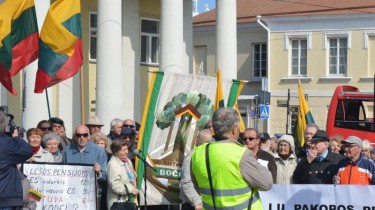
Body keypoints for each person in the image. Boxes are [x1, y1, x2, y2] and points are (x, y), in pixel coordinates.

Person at [191, 108, 272, 210]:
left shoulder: (197, 152)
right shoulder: (242, 154)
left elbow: (195, 184)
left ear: (214, 128)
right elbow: (267, 183)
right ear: (235, 128)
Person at [62, 125, 108, 209]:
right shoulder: (66, 151)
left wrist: (98, 172)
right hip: (72, 195)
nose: (82, 137)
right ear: (75, 136)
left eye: (85, 135)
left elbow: (104, 176)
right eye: (79, 135)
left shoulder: (99, 151)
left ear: (89, 136)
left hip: (91, 195)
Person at [0, 111, 33, 209]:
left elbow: (34, 199)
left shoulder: (24, 181)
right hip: (6, 201)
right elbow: (26, 151)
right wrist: (16, 138)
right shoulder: (6, 143)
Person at [180, 129, 212, 210]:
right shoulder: (191, 156)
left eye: (210, 143)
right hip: (192, 205)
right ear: (197, 141)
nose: (208, 145)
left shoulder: (208, 155)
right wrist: (197, 202)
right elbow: (186, 182)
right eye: (206, 142)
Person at [107, 140, 139, 210]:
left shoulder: (127, 161)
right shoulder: (113, 164)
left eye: (127, 149)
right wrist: (131, 190)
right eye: (123, 150)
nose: (126, 152)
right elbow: (115, 185)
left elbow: (132, 177)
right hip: (118, 202)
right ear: (115, 152)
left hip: (130, 200)